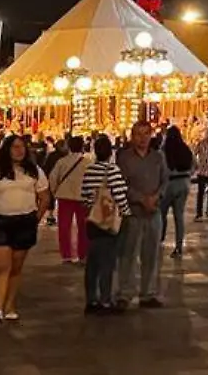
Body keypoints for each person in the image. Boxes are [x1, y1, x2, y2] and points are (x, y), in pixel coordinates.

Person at [0, 133, 49, 323]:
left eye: (22, 147)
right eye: (14, 147)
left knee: (15, 268)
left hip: (24, 221)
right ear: (6, 150)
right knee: (2, 266)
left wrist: (36, 217)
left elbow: (44, 197)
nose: (19, 151)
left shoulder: (34, 171)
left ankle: (9, 304)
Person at [116, 121, 167, 309]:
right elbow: (121, 184)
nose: (143, 138)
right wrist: (140, 198)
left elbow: (165, 180)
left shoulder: (158, 157)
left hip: (154, 212)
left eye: (146, 134)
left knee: (151, 254)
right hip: (133, 213)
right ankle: (125, 292)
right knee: (128, 253)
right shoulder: (125, 158)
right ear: (132, 136)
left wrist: (156, 197)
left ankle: (148, 293)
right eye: (138, 134)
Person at [80, 135, 131, 315]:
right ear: (110, 152)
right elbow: (119, 195)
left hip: (93, 220)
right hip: (108, 221)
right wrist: (126, 212)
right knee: (107, 262)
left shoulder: (89, 170)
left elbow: (85, 197)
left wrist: (92, 208)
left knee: (92, 261)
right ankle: (105, 300)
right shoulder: (113, 170)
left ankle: (91, 299)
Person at [47, 136, 90, 266]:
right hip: (83, 196)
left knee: (64, 227)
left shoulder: (62, 162)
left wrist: (55, 192)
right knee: (83, 227)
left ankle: (66, 254)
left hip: (65, 196)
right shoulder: (88, 162)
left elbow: (53, 178)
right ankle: (83, 253)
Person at [161, 125, 194, 259]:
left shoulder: (165, 150)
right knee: (179, 216)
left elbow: (162, 167)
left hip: (170, 183)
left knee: (161, 213)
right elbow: (194, 165)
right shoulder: (186, 149)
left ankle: (160, 239)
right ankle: (179, 246)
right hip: (184, 183)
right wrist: (188, 175)